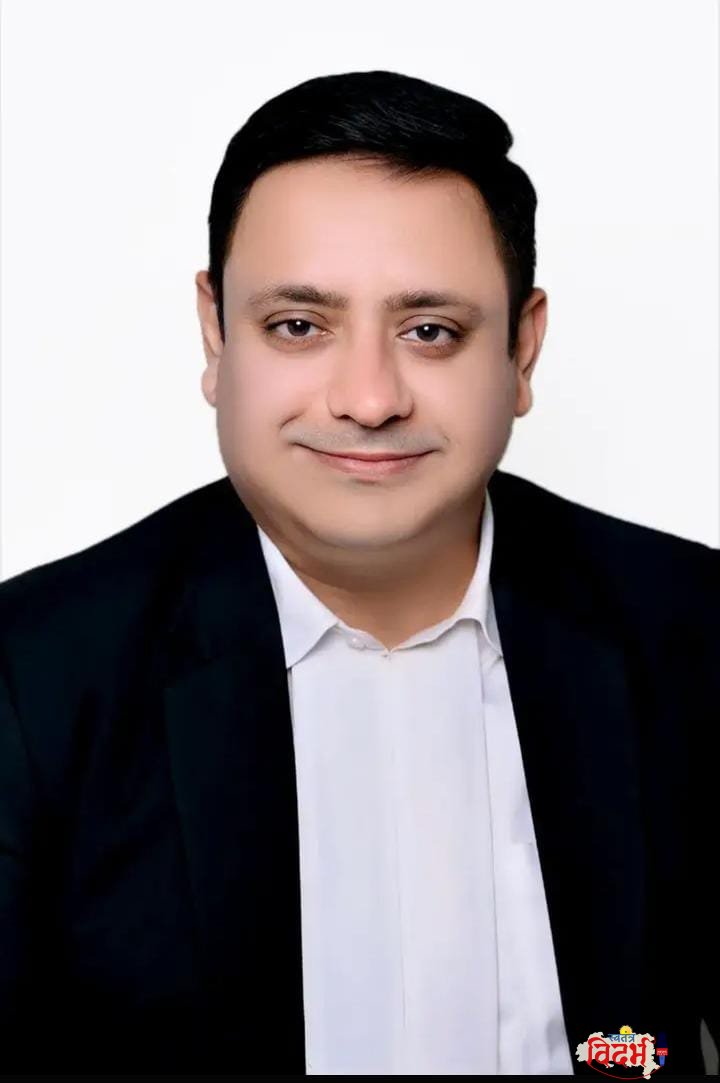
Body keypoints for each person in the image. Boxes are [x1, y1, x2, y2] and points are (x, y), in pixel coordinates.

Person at [0, 69, 716, 1076]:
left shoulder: (696, 629)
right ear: (215, 334)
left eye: (431, 331)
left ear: (522, 349)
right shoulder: (30, 678)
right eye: (299, 325)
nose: (370, 399)